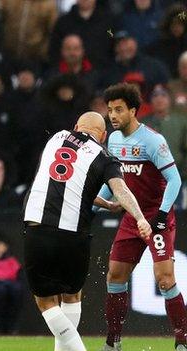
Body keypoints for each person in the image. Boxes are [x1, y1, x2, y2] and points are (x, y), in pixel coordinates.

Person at [23, 112, 151, 351]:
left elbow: (65, 181)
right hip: (74, 238)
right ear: (103, 136)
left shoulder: (56, 138)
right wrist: (140, 217)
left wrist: (106, 204)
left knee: (45, 301)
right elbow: (120, 190)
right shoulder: (105, 156)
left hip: (39, 229)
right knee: (72, 294)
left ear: (75, 127)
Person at [97, 83, 187, 351]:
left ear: (133, 111)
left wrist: (160, 216)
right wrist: (96, 202)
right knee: (114, 277)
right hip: (131, 218)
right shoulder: (113, 140)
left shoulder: (152, 140)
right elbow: (113, 181)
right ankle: (113, 342)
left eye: (119, 110)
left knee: (165, 279)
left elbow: (175, 180)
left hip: (157, 219)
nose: (112, 115)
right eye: (110, 110)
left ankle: (183, 341)